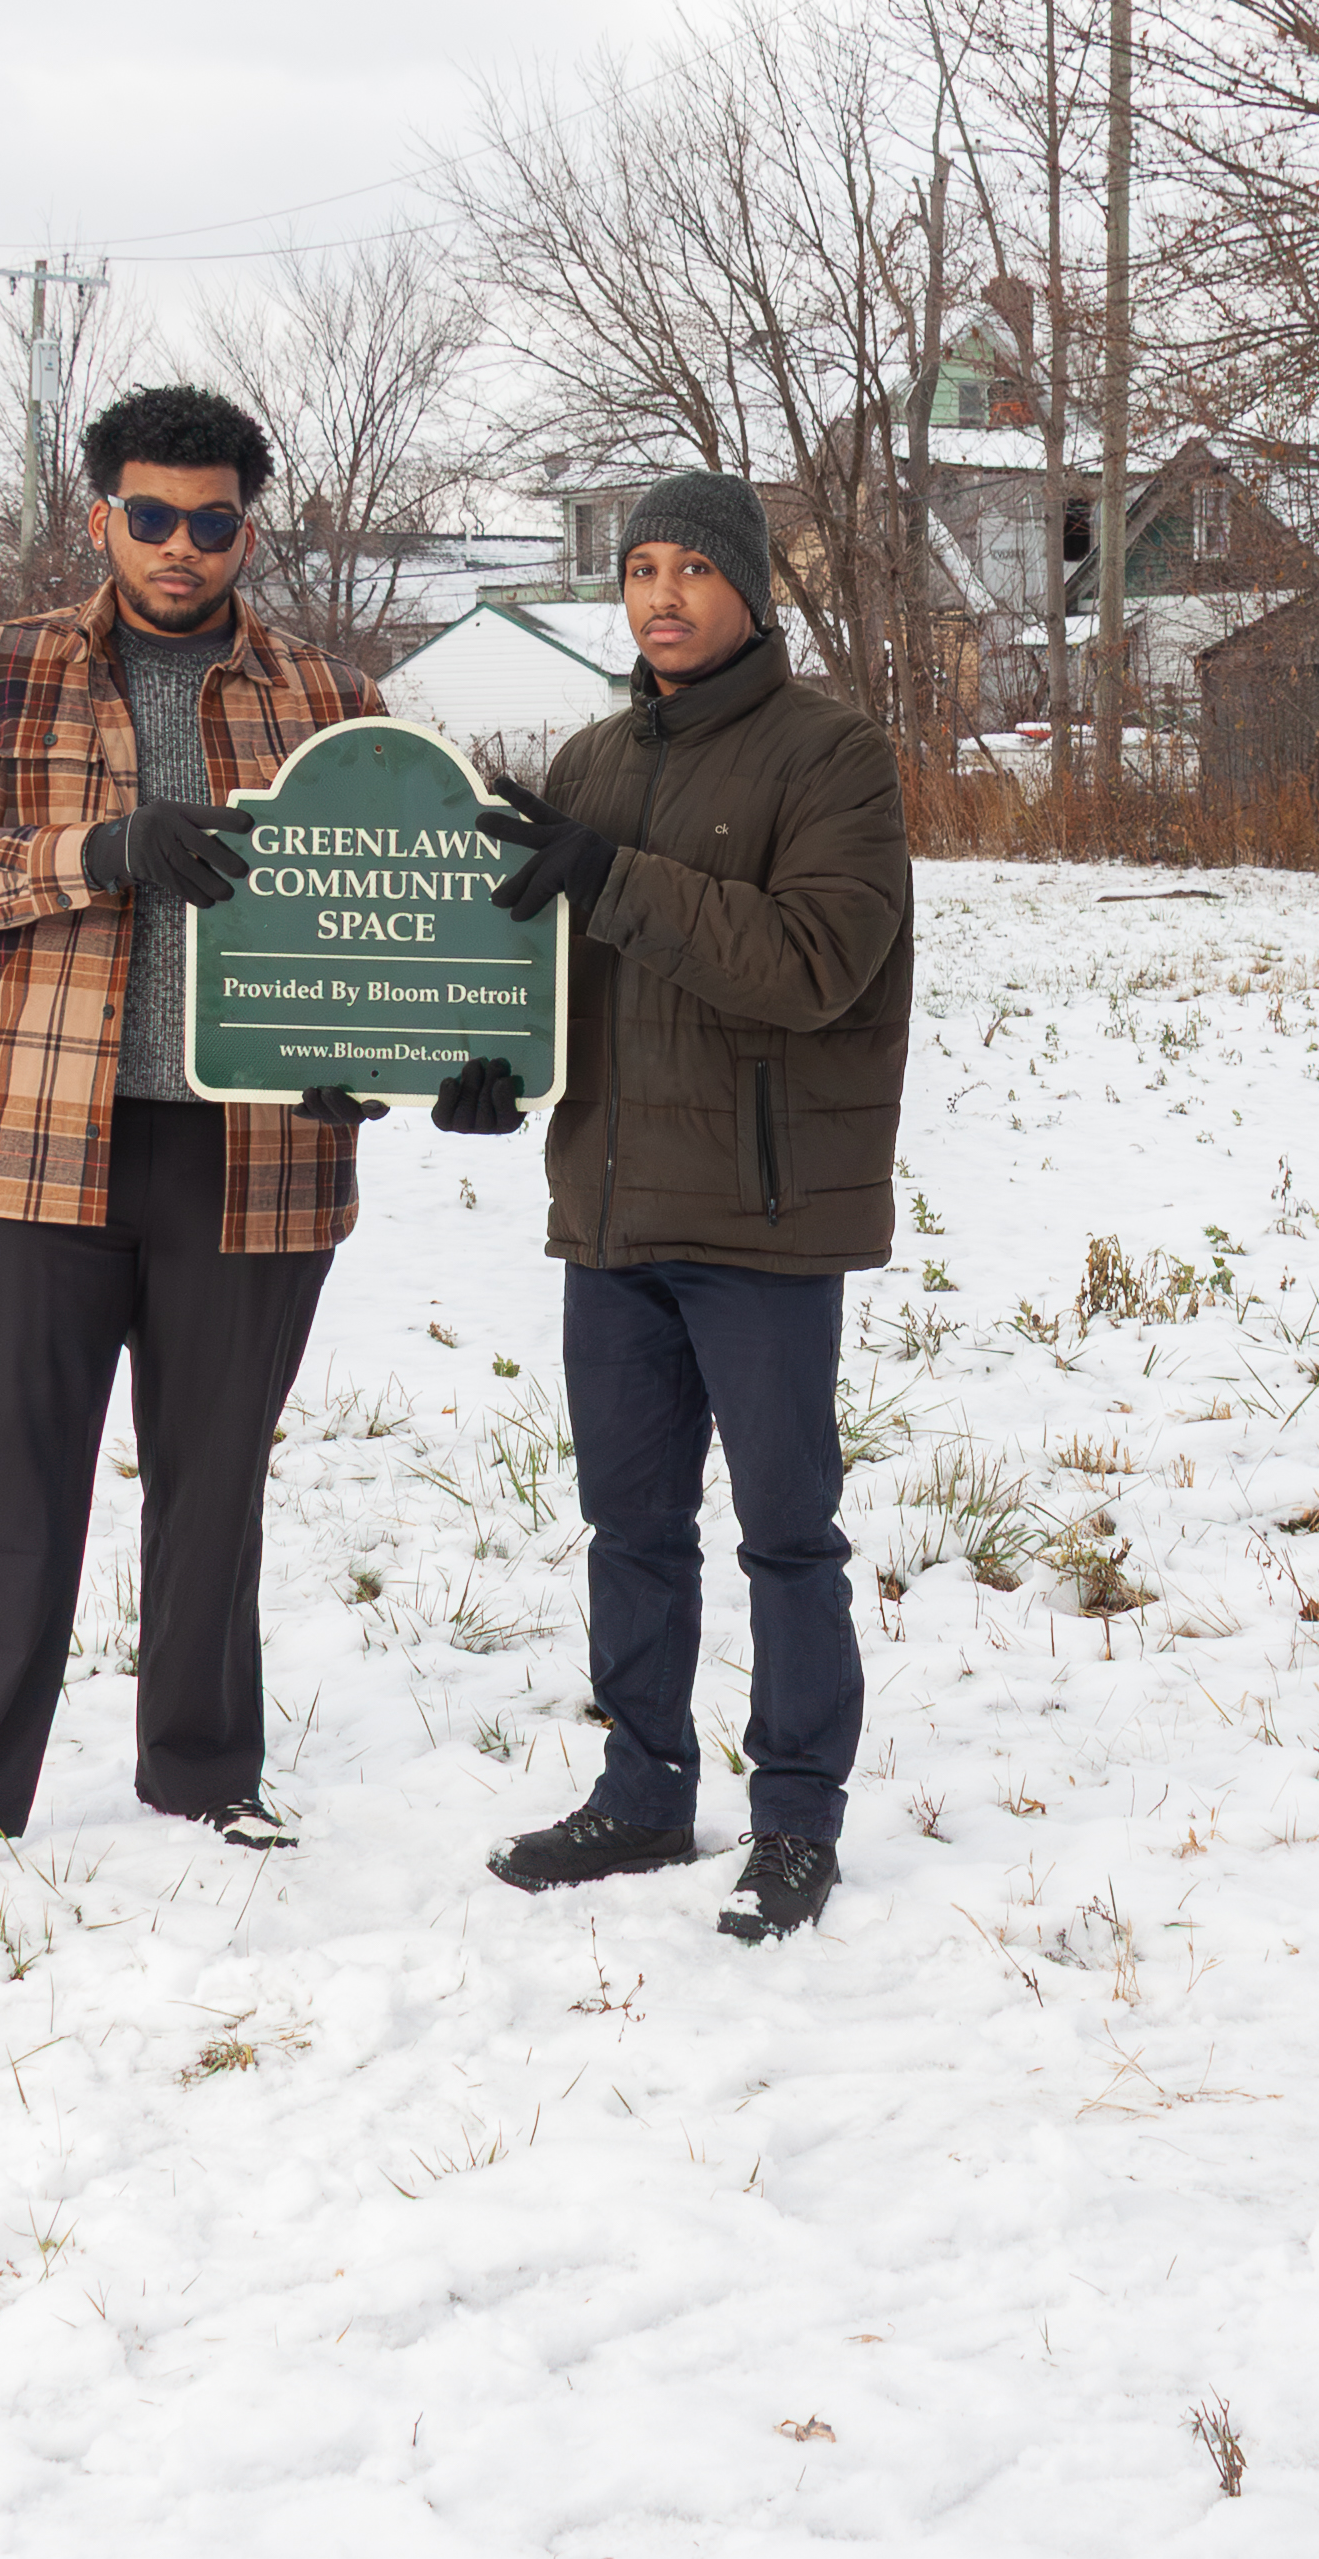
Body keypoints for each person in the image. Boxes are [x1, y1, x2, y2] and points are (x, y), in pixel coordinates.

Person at [0, 385, 388, 1903]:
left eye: (211, 522)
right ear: (101, 519)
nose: (180, 547)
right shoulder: (3, 672)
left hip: (251, 1157)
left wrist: (373, 1059)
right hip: (28, 1144)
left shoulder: (328, 696)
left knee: (215, 1480)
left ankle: (206, 1774)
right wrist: (95, 853)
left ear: (245, 528)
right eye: (151, 516)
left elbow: (385, 917)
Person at [463, 470, 913, 1940]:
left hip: (761, 1216)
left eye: (691, 570)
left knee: (787, 1532)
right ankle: (642, 1794)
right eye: (639, 568)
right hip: (609, 1212)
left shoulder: (831, 757)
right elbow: (529, 970)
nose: (659, 596)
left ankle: (794, 1819)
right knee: (629, 1526)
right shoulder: (587, 760)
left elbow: (811, 963)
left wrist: (614, 876)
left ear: (749, 591)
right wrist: (471, 1066)